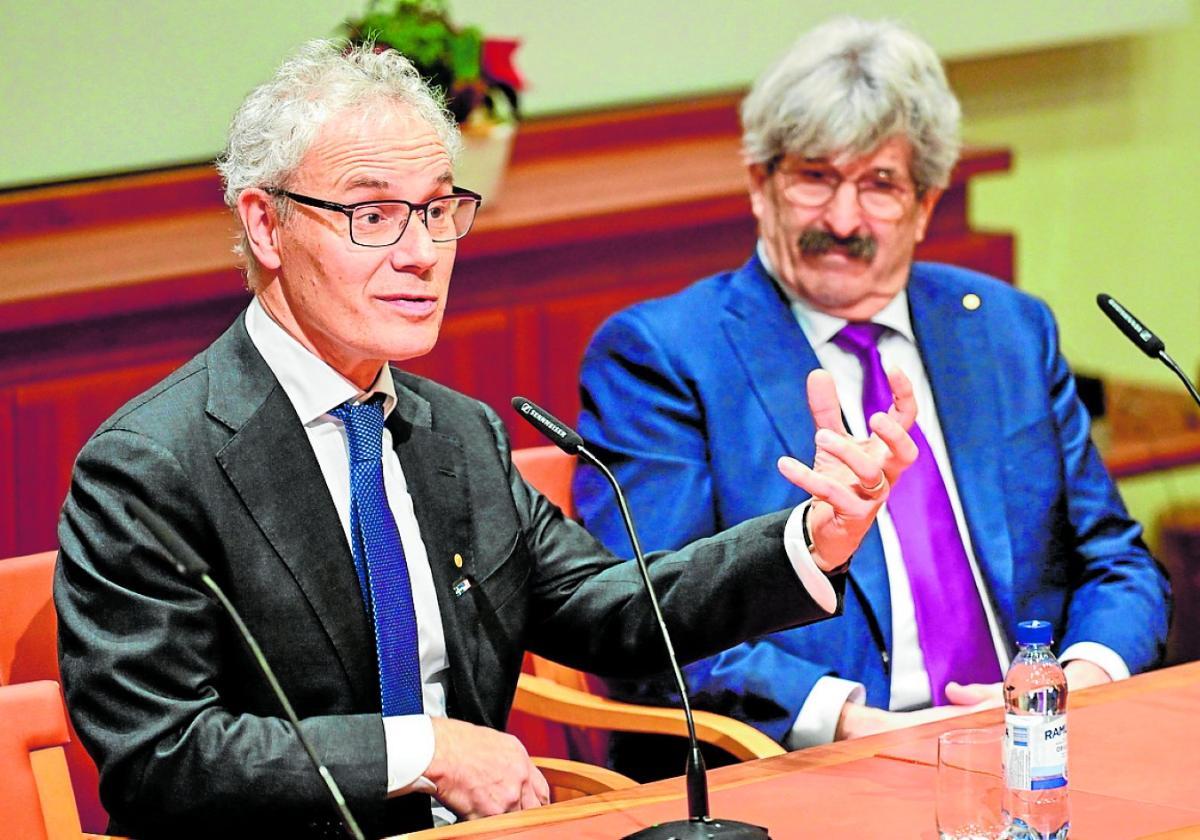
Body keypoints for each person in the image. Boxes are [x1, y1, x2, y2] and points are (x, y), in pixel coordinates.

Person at [53, 40, 919, 840]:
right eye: (373, 216)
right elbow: (159, 756)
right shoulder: (154, 465)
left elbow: (611, 610)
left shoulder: (456, 434)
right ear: (265, 225)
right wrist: (422, 749)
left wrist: (812, 537)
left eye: (436, 211)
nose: (422, 253)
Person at [574, 16, 1171, 780]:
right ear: (761, 185)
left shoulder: (1009, 331)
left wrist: (1070, 690)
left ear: (925, 205)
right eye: (814, 177)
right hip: (818, 766)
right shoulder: (664, 355)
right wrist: (855, 724)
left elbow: (1116, 562)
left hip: (1044, 750)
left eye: (881, 185)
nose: (844, 220)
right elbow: (647, 617)